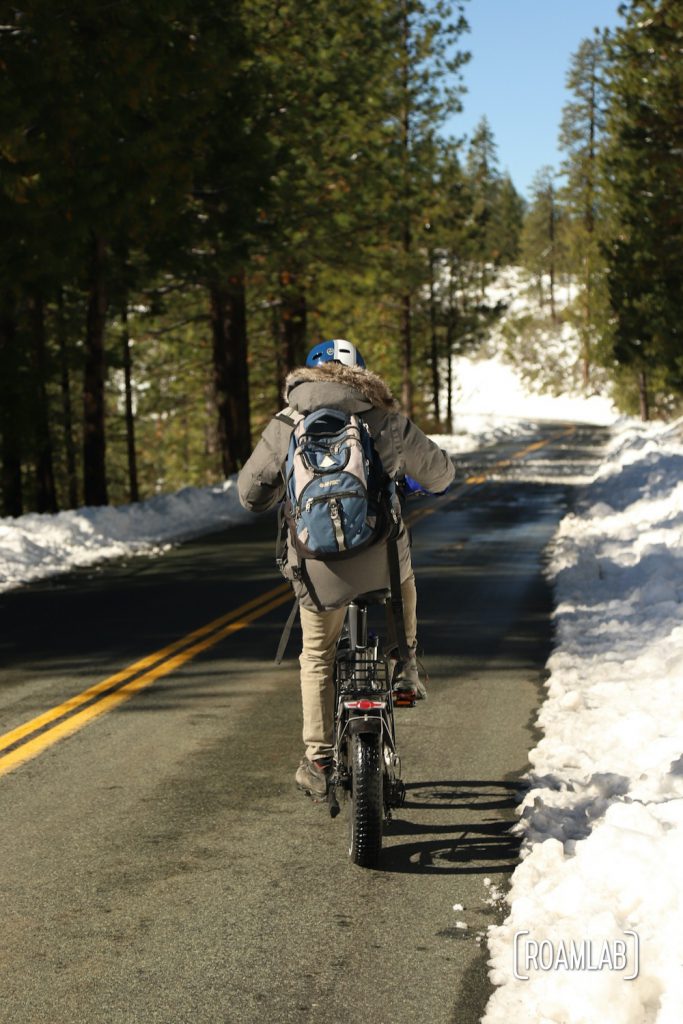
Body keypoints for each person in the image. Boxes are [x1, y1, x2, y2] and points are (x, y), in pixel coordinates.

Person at [237, 339, 455, 798]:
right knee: (404, 577)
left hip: (318, 569)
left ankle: (318, 758)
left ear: (306, 376)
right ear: (362, 374)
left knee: (317, 656)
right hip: (381, 565)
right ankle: (405, 669)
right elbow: (440, 475)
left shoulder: (286, 423)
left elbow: (250, 495)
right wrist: (410, 480)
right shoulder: (385, 419)